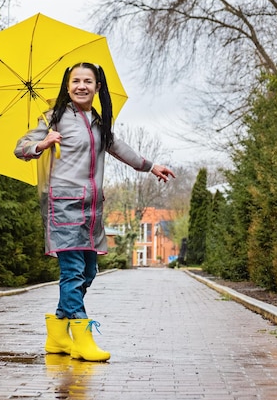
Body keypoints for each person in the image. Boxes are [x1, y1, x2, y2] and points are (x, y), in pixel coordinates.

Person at [14, 62, 175, 362]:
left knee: (88, 272)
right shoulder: (54, 118)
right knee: (73, 273)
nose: (81, 86)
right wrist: (42, 143)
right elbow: (20, 147)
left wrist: (152, 166)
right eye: (76, 80)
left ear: (98, 87)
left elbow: (121, 148)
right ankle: (82, 338)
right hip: (63, 205)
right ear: (67, 85)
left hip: (91, 212)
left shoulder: (99, 123)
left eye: (88, 81)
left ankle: (58, 333)